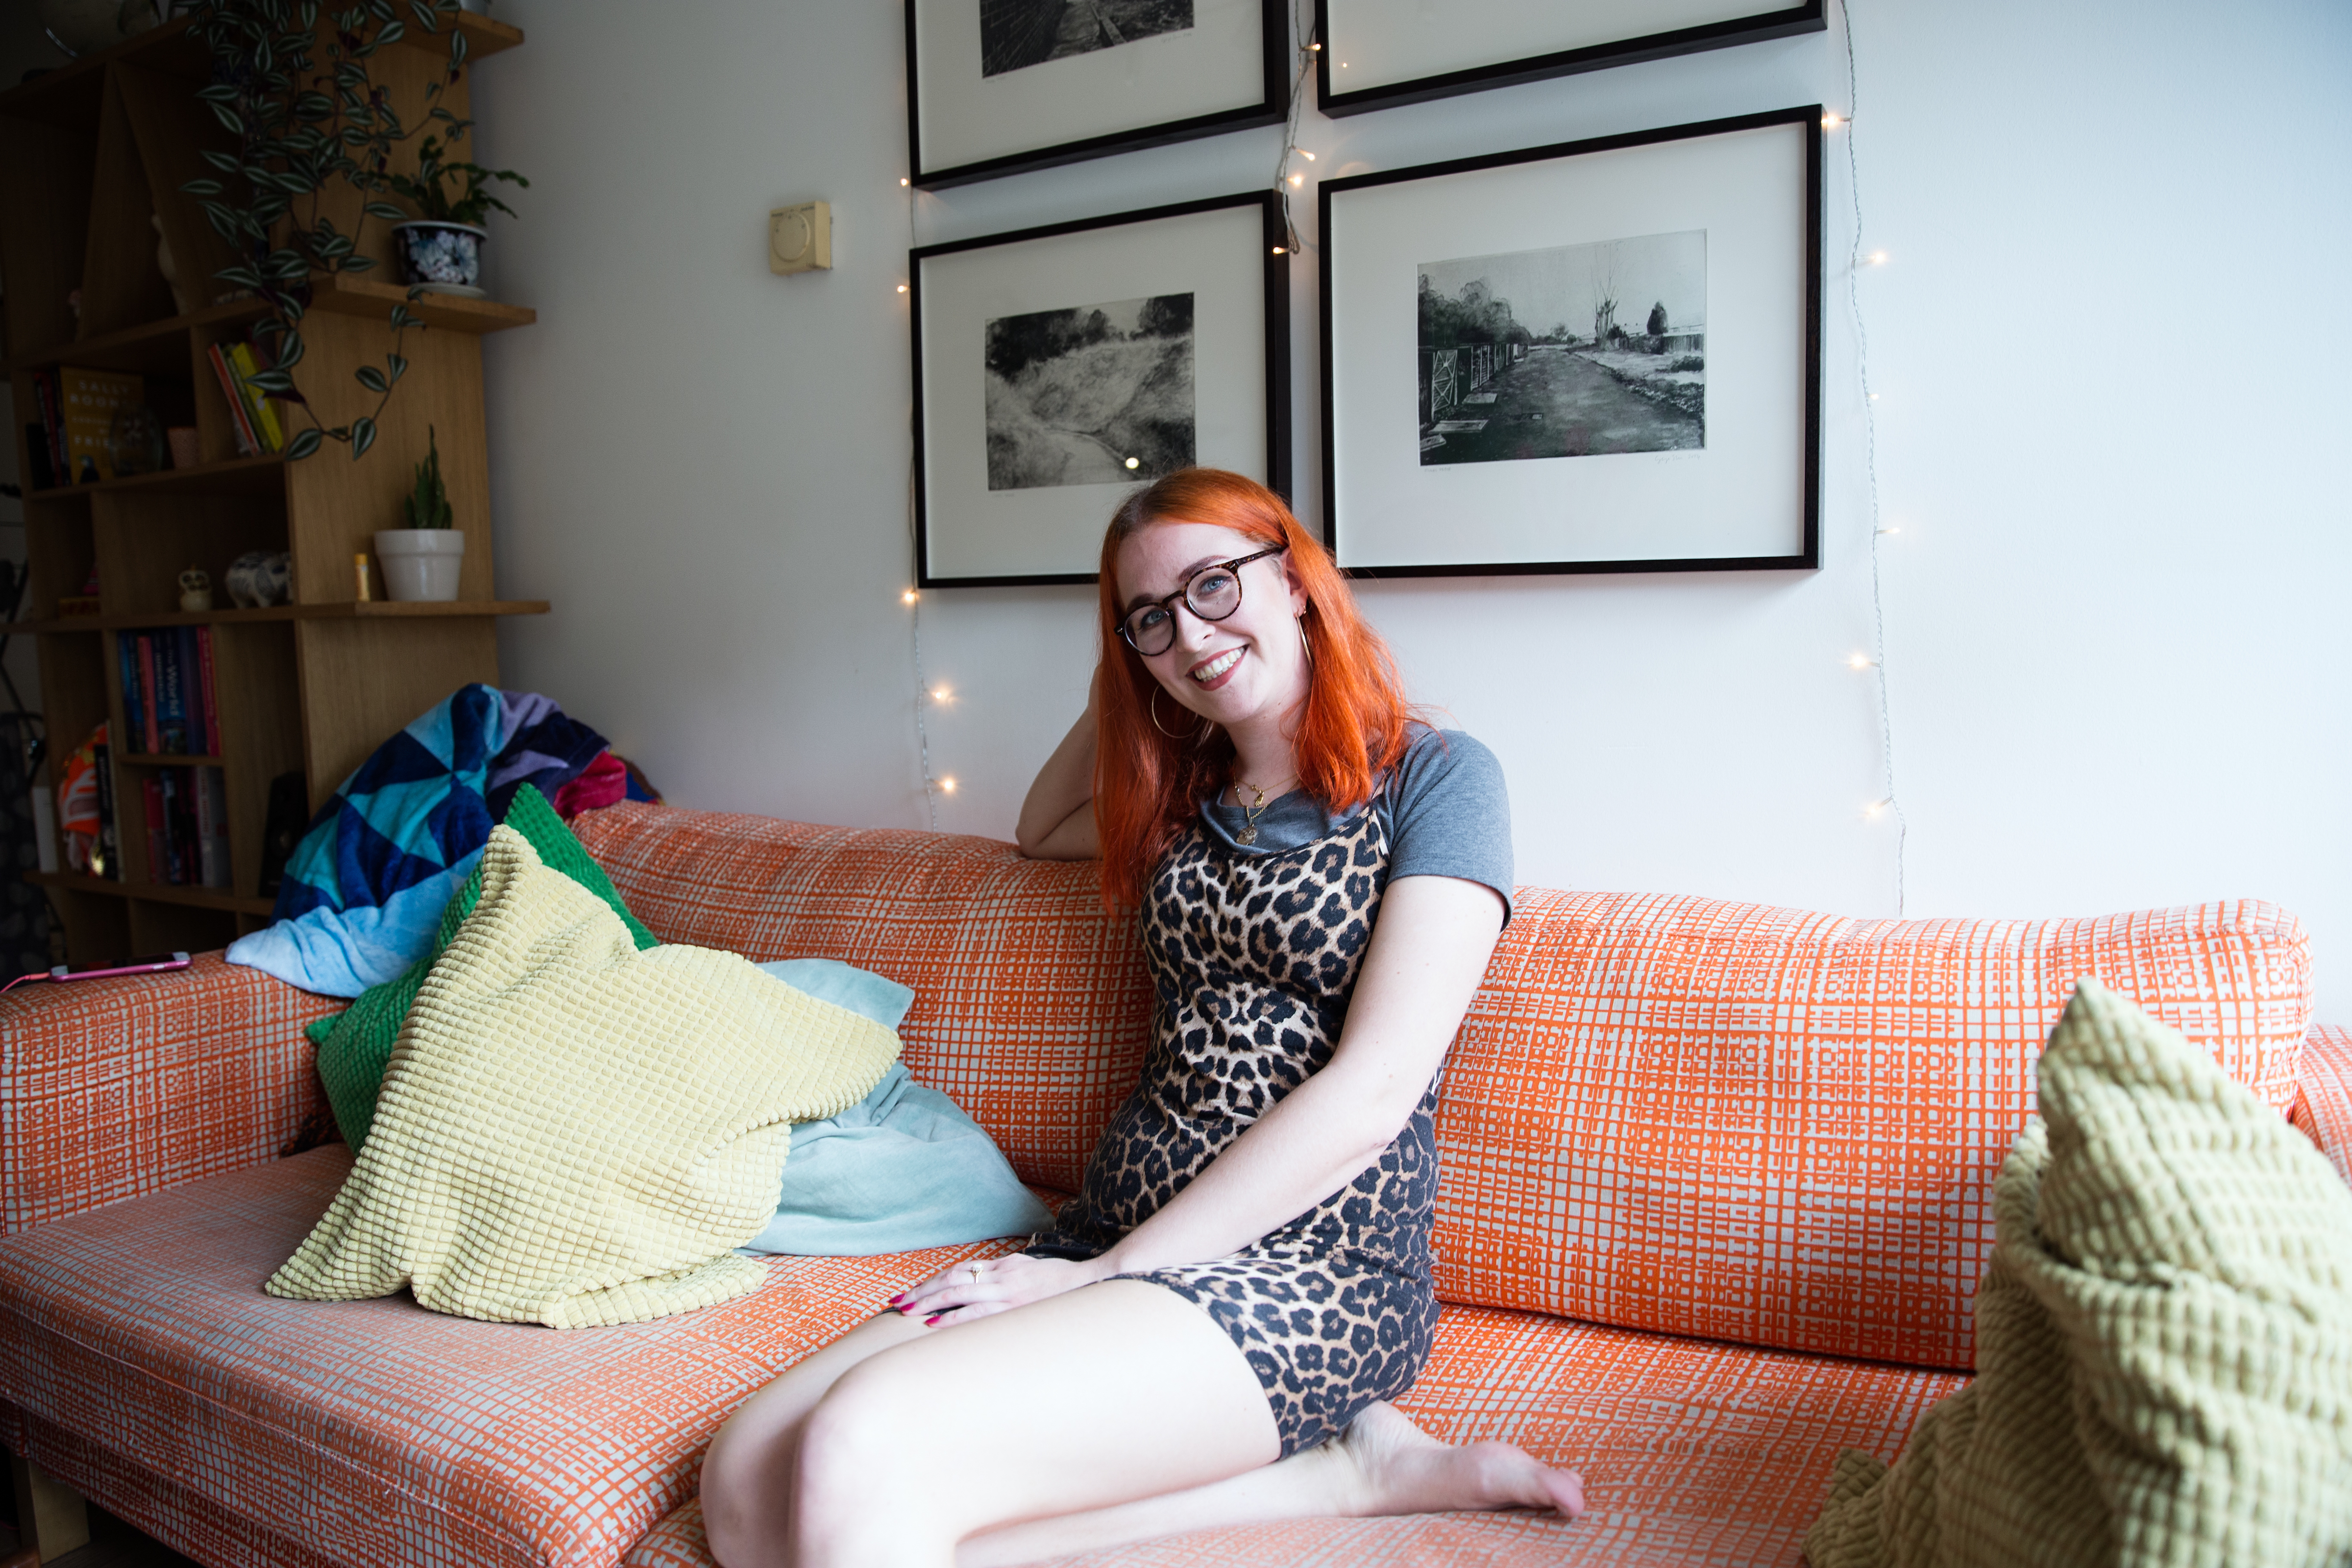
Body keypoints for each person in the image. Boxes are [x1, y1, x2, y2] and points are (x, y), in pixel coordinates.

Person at [700, 470, 1584, 1568]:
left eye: (1216, 586)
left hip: (1308, 1264)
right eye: (1153, 617)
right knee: (742, 1475)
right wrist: (1135, 664)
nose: (1194, 636)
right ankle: (1334, 1477)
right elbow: (1039, 826)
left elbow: (1374, 1093)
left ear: (1298, 579)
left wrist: (1103, 1277)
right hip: (1112, 1225)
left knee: (858, 1445)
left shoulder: (1439, 778)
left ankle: (1346, 1461)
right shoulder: (1182, 799)